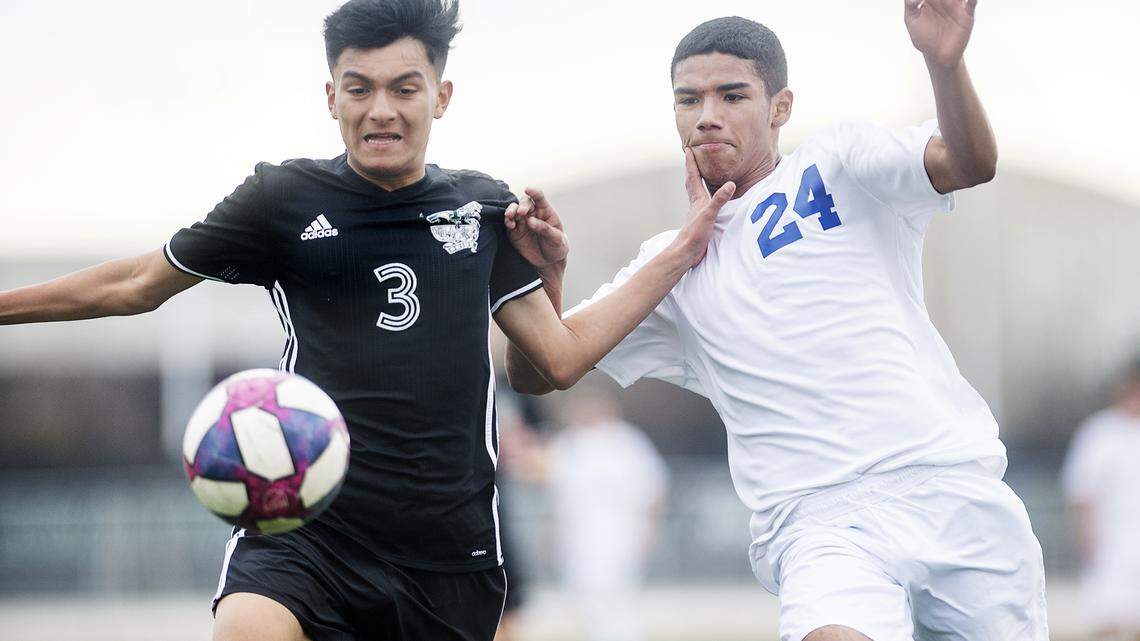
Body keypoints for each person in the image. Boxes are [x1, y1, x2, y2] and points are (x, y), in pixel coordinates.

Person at [0, 0, 732, 639]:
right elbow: (135, 282)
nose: (381, 108)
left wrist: (660, 251)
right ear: (331, 96)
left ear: (440, 96)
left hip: (449, 556)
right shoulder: (279, 199)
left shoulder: (483, 209)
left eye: (404, 88)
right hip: (304, 531)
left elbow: (553, 366)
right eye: (360, 88)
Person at [507, 2, 1050, 640]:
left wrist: (944, 63)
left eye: (731, 94)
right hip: (821, 523)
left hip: (949, 487)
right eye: (688, 100)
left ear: (779, 107)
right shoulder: (668, 264)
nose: (707, 115)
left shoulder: (840, 162)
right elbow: (544, 370)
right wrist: (545, 281)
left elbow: (969, 163)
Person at [547, 387, 668, 641]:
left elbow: (654, 490)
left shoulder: (627, 442)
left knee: (617, 604)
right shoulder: (568, 444)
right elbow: (557, 495)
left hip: (621, 537)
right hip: (578, 541)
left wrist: (649, 533)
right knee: (585, 603)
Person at [1061, 357, 1140, 641]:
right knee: (1109, 622)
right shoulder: (1099, 434)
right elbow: (1082, 494)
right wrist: (1088, 541)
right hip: (1111, 547)